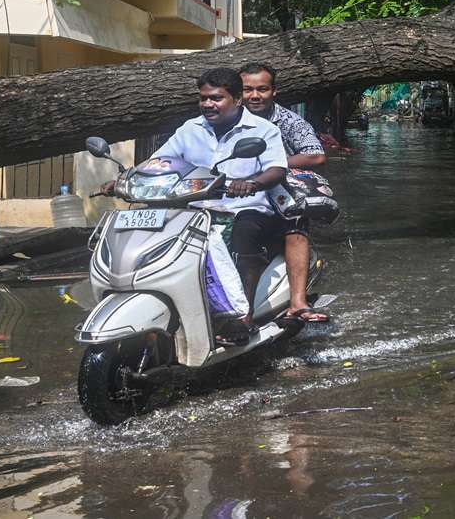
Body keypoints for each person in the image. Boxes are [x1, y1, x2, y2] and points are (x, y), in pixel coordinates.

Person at [141, 67, 289, 342]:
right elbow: (160, 162)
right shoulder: (190, 129)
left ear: (236, 99)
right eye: (204, 98)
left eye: (216, 98)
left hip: (245, 207)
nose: (208, 104)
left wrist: (252, 184)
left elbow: (277, 170)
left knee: (245, 234)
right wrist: (126, 177)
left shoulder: (263, 130)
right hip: (195, 208)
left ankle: (241, 316)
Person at [239, 62, 330, 323]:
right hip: (233, 195)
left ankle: (298, 302)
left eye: (262, 89)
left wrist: (274, 164)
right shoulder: (224, 120)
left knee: (295, 225)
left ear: (273, 92)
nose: (254, 96)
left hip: (279, 194)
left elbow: (316, 155)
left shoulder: (288, 121)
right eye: (247, 90)